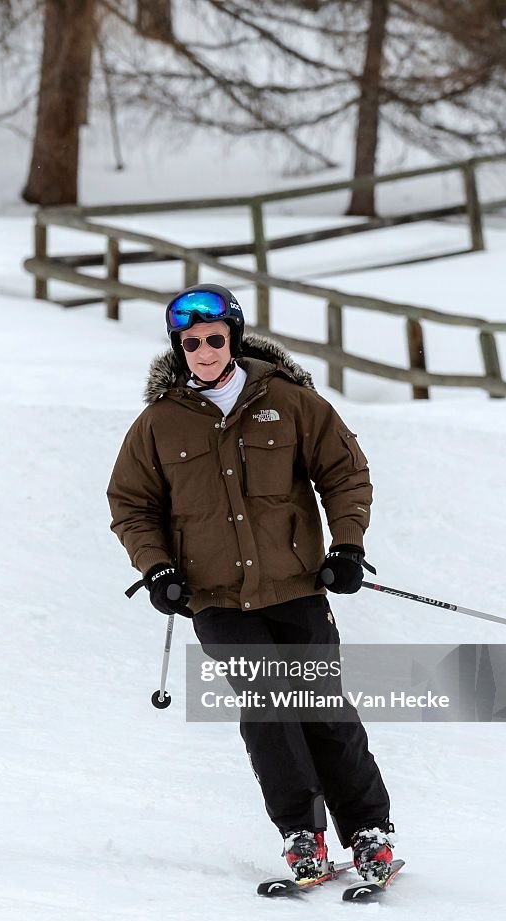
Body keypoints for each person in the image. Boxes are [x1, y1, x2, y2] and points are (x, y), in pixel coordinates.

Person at [107, 284, 394, 882]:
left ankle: (369, 832)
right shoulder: (158, 424)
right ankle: (301, 834)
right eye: (191, 343)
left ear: (232, 339)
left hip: (297, 586)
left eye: (214, 340)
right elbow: (131, 503)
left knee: (319, 705)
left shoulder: (288, 402)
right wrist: (155, 567)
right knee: (268, 704)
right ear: (178, 348)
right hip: (215, 599)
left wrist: (346, 546)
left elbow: (345, 473)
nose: (204, 352)